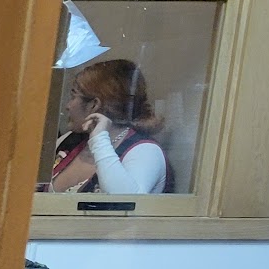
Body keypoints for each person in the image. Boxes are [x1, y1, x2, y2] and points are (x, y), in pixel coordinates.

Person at [41, 58, 171, 194]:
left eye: (73, 96)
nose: (68, 106)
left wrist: (99, 139)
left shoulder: (145, 151)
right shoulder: (69, 140)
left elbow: (124, 201)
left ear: (94, 105)